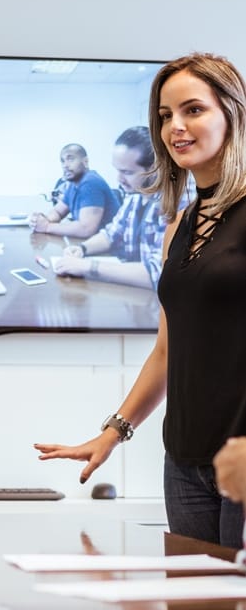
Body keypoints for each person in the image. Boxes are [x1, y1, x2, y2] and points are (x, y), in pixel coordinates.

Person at [35, 52, 246, 547]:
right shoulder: (181, 226)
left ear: (232, 113)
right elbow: (168, 352)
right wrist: (113, 432)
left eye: (193, 110)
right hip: (186, 463)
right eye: (165, 115)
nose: (176, 127)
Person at [52, 127, 184, 290]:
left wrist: (87, 266)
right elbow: (111, 235)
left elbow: (159, 273)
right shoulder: (135, 195)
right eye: (117, 170)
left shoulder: (177, 202)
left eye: (127, 172)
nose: (119, 179)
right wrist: (82, 249)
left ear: (155, 168)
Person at [28, 143, 121, 237]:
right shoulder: (74, 185)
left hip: (110, 247)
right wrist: (42, 220)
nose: (65, 165)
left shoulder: (91, 182)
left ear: (85, 161)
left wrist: (47, 227)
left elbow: (86, 229)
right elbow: (58, 212)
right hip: (91, 244)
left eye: (70, 159)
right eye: (62, 161)